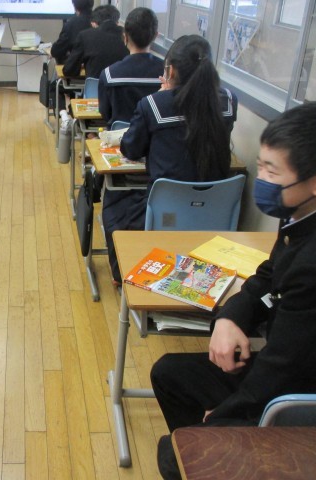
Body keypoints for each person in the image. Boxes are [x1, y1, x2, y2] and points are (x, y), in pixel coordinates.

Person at [151, 101, 316, 479]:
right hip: (288, 368)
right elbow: (267, 276)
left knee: (173, 455)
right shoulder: (305, 213)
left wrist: (223, 416)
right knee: (169, 373)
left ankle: (212, 455)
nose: (262, 178)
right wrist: (230, 317)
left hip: (309, 395)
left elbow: (283, 369)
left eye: (272, 170)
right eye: (260, 165)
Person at [103, 35, 237, 285]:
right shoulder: (229, 101)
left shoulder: (154, 104)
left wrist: (162, 96)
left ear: (171, 71)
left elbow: (131, 149)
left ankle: (120, 275)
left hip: (166, 213)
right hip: (216, 212)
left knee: (113, 199)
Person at [98, 7, 164, 126]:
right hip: (155, 136)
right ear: (155, 36)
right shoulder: (166, 74)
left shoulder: (108, 74)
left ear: (125, 37)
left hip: (120, 136)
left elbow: (105, 114)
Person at [63, 5, 129, 79]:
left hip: (94, 86)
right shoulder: (127, 36)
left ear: (94, 23)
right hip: (123, 85)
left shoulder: (85, 35)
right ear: (117, 21)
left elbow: (68, 70)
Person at [51, 0, 93, 65]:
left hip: (77, 67)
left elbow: (56, 51)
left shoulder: (71, 24)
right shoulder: (100, 20)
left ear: (75, 6)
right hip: (98, 68)